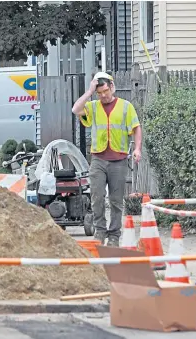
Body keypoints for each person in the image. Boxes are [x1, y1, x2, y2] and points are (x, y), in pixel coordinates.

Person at [71, 72, 142, 247]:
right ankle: (100, 232)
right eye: (99, 93)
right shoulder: (93, 106)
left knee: (116, 201)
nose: (103, 95)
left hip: (118, 160)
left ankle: (114, 236)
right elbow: (75, 109)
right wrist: (88, 92)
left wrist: (137, 149)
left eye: (105, 91)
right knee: (97, 197)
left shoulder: (126, 107)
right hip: (98, 160)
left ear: (112, 88)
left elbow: (136, 128)